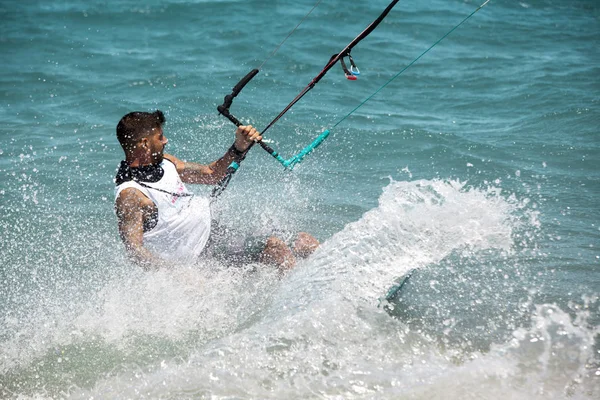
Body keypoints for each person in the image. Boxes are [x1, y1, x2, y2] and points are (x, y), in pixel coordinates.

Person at [114, 110, 319, 271]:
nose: (165, 140)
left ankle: (335, 280)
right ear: (144, 144)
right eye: (160, 137)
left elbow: (211, 174)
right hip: (203, 255)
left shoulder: (166, 162)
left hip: (218, 233)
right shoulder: (130, 194)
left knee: (303, 241)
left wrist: (238, 147)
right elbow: (135, 251)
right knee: (276, 248)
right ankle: (297, 311)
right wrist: (176, 274)